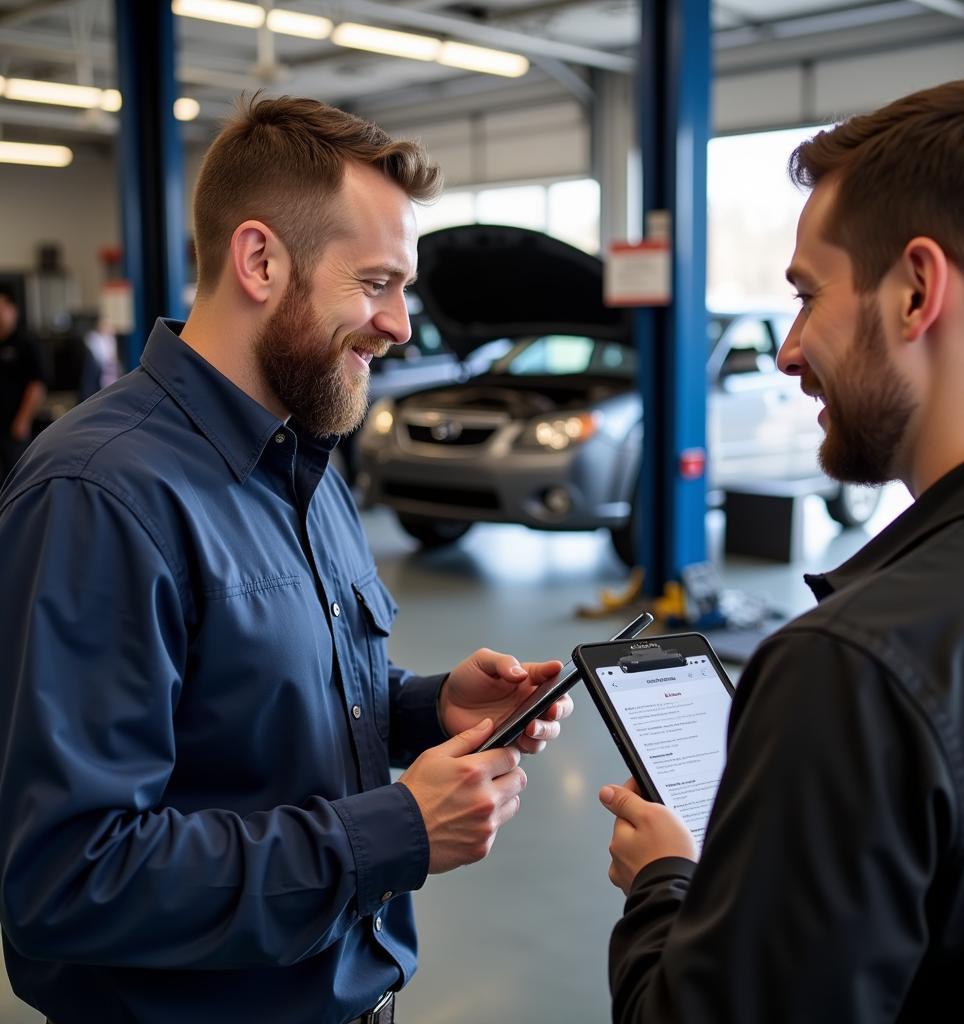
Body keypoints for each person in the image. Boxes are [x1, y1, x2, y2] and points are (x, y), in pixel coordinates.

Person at [0, 95, 571, 1024]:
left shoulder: (303, 455)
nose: (401, 326)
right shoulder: (98, 495)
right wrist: (395, 830)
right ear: (260, 260)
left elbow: (256, 704)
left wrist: (426, 708)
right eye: (377, 282)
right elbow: (67, 877)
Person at [598, 78, 964, 1023]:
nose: (788, 352)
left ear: (918, 290)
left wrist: (667, 883)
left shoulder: (856, 666)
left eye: (806, 295)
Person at [0, 284, 47, 482]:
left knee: (17, 479)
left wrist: (23, 419)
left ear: (13, 310)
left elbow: (37, 384)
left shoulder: (26, 343)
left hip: (15, 429)